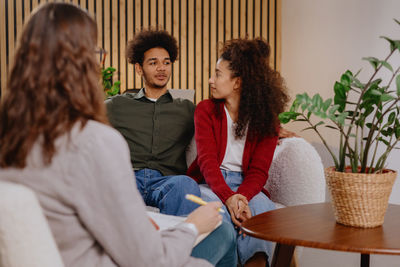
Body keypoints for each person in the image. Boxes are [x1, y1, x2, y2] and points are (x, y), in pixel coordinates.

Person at [0, 3, 237, 266]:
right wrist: (192, 226)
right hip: (121, 257)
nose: (161, 68)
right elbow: (147, 258)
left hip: (73, 249)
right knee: (223, 233)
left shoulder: (12, 138)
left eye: (166, 63)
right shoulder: (98, 137)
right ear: (85, 61)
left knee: (184, 188)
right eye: (96, 52)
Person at [187, 38, 289, 266]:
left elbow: (259, 170)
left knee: (263, 213)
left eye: (217, 74)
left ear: (237, 83)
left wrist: (241, 199)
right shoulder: (205, 110)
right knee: (220, 217)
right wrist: (229, 198)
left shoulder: (267, 119)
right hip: (211, 183)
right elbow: (207, 162)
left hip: (249, 187)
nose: (211, 80)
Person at [106, 29, 200, 216]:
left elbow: (221, 123)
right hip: (128, 179)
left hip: (168, 181)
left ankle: (179, 243)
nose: (162, 68)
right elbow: (78, 116)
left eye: (166, 63)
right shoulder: (118, 104)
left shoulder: (187, 108)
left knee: (186, 184)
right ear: (139, 68)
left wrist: (272, 128)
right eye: (153, 63)